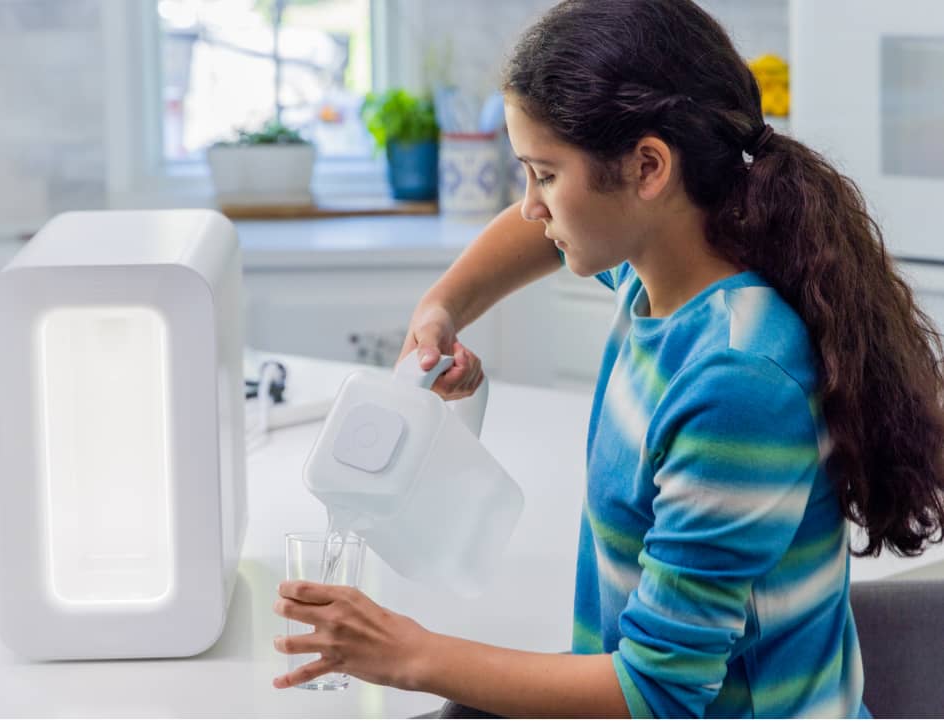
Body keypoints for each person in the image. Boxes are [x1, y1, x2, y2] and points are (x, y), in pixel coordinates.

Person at [271, 0, 944, 716]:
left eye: (544, 173)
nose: (531, 205)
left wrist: (409, 654)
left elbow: (656, 692)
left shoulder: (738, 380)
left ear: (648, 167)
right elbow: (538, 231)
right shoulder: (666, 269)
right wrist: (442, 308)